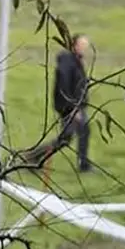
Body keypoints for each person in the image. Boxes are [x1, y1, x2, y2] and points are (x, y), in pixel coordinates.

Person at [27, 34, 93, 173]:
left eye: (86, 45)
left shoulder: (75, 61)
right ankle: (33, 156)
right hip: (69, 107)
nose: (84, 48)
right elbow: (64, 85)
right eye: (82, 45)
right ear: (73, 45)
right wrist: (74, 108)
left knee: (80, 132)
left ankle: (83, 165)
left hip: (75, 106)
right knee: (66, 138)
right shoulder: (67, 62)